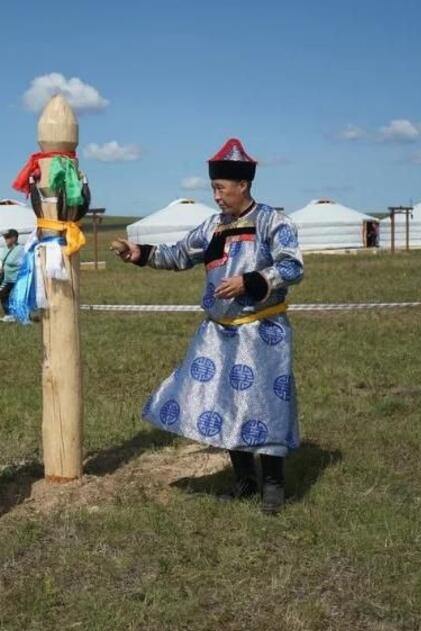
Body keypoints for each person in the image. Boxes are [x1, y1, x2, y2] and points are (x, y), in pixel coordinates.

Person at [111, 138, 304, 515]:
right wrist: (140, 254)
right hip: (219, 332)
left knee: (264, 406)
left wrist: (250, 281)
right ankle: (245, 482)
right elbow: (178, 255)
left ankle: (274, 486)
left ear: (243, 185)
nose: (216, 195)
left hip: (262, 332)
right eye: (214, 188)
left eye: (221, 188)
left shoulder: (274, 222)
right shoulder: (212, 227)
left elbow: (292, 267)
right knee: (226, 403)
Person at [0, 228, 25, 322]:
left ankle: (12, 315)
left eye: (8, 237)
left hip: (16, 278)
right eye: (5, 237)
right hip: (6, 278)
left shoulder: (20, 249)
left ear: (14, 238)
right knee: (2, 295)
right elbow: (4, 260)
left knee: (4, 294)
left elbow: (24, 263)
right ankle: (11, 314)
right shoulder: (5, 248)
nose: (6, 239)